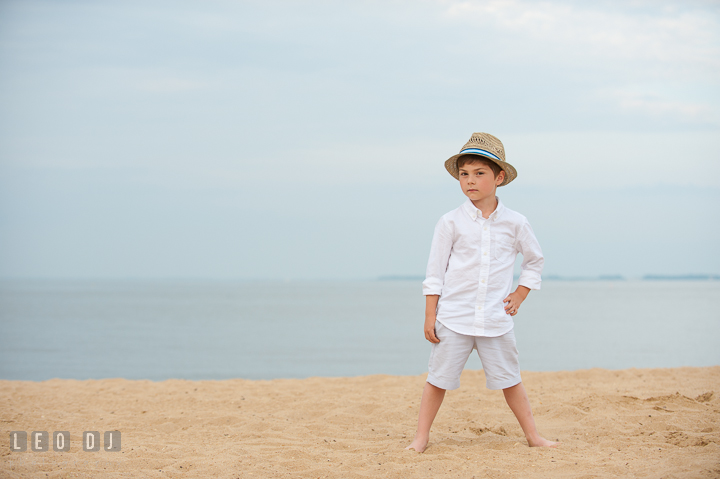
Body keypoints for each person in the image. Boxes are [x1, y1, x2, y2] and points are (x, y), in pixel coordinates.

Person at [406, 132, 558, 452]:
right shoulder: (449, 222)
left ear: (499, 177)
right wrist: (430, 316)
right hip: (454, 317)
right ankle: (421, 438)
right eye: (464, 174)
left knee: (511, 380)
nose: (470, 181)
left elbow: (534, 261)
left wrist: (520, 294)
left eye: (479, 173)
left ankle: (533, 436)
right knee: (438, 380)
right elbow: (435, 273)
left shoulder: (516, 223)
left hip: (495, 319)